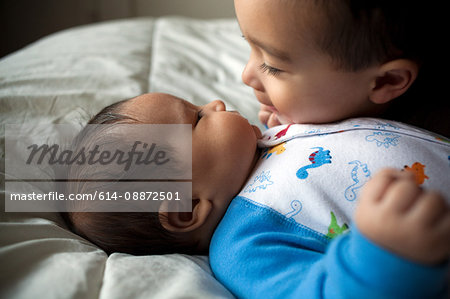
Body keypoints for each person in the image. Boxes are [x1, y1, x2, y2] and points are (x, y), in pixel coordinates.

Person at [62, 93, 450, 298]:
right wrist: (385, 256)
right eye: (197, 118)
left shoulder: (262, 142)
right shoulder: (243, 247)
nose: (214, 104)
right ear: (189, 208)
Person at [236, 0, 449, 138]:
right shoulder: (334, 104)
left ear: (386, 81)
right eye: (249, 44)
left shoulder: (429, 147)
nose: (247, 76)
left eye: (273, 67)